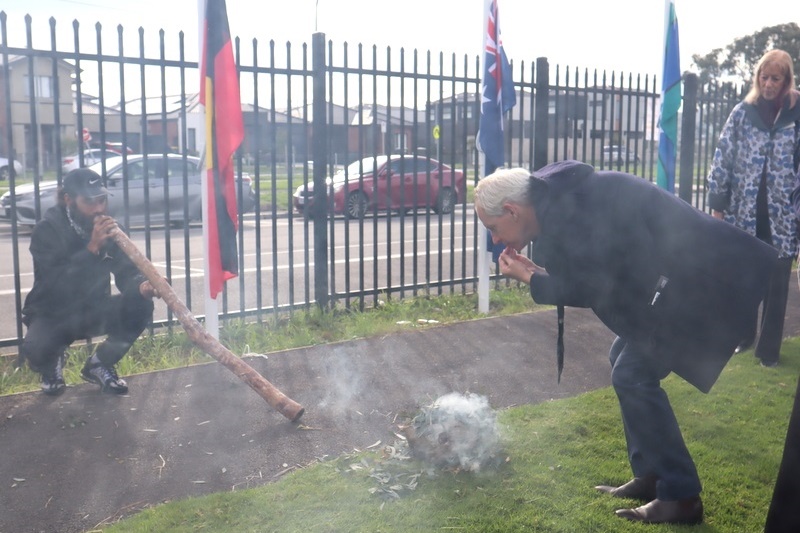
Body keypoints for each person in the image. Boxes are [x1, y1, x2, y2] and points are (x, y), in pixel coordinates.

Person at [474, 161, 777, 525]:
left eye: (493, 228)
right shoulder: (564, 201)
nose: (494, 239)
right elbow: (595, 271)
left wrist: (533, 279)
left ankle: (681, 496)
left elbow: (596, 285)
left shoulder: (572, 211)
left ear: (512, 210)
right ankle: (651, 474)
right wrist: (538, 273)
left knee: (632, 375)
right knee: (623, 357)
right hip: (679, 279)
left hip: (700, 280)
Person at [19, 168, 159, 396]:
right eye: (89, 201)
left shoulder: (111, 229)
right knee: (37, 348)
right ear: (69, 200)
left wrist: (142, 286)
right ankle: (52, 362)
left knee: (141, 305)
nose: (99, 209)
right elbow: (55, 283)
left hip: (93, 308)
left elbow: (126, 272)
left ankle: (100, 364)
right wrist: (92, 248)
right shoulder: (47, 230)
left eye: (102, 200)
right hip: (53, 312)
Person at [707, 49, 800, 367]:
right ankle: (743, 337)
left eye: (776, 78)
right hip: (744, 212)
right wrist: (717, 204)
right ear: (757, 77)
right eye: (764, 76)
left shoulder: (796, 115)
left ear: (787, 80)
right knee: (744, 279)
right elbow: (723, 156)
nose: (769, 83)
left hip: (784, 216)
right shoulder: (743, 112)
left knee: (777, 285)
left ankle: (769, 351)